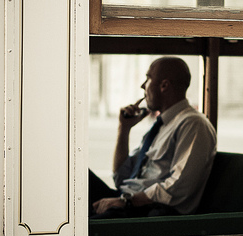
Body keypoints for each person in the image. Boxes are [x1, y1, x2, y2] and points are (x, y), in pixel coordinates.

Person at [89, 57, 217, 218]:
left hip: (148, 210)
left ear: (164, 85)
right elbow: (121, 178)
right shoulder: (162, 126)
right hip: (129, 200)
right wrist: (124, 128)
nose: (143, 85)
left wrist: (127, 202)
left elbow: (179, 187)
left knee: (84, 227)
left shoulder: (193, 124)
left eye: (148, 78)